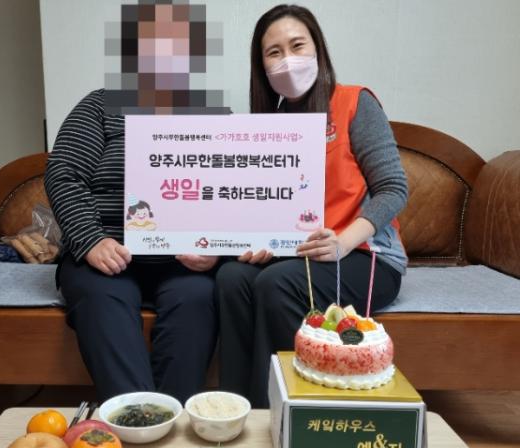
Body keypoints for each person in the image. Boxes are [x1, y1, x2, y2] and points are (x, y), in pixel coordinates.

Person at [215, 4, 409, 408]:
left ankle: (283, 409)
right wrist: (262, 243)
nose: (287, 59)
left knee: (275, 283)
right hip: (300, 256)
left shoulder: (355, 102)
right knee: (232, 277)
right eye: (274, 52)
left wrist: (342, 242)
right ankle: (236, 409)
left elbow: (393, 189)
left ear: (317, 49)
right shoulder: (267, 126)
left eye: (297, 45)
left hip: (364, 255)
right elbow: (267, 207)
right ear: (262, 66)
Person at [45, 89, 219, 404]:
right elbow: (64, 174)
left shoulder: (205, 116)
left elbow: (230, 189)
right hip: (106, 253)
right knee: (101, 296)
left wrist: (216, 247)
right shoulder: (99, 106)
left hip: (180, 260)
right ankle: (136, 416)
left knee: (198, 296)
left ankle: (175, 416)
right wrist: (91, 239)